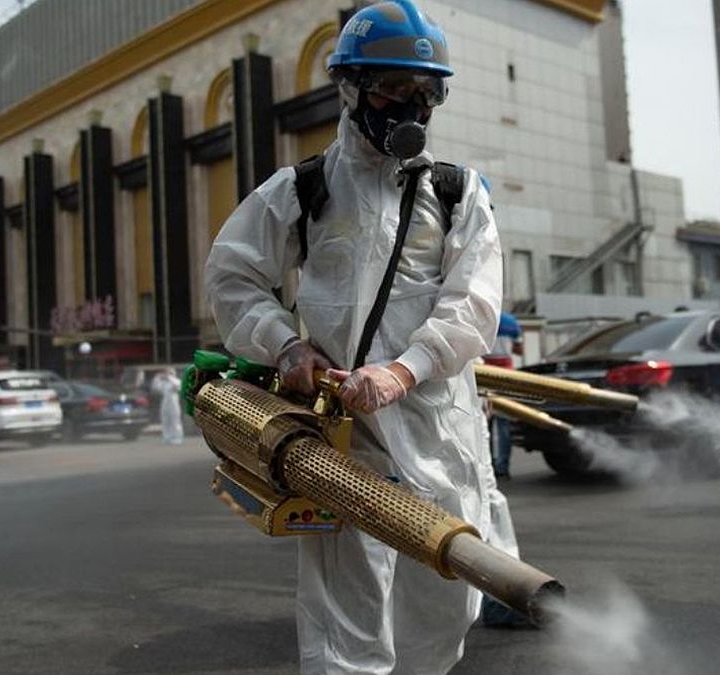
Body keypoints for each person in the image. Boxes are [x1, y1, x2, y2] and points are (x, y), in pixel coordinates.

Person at [205, 2, 501, 671]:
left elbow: (475, 303)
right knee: (346, 616)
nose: (412, 107)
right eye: (396, 88)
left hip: (437, 430)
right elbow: (231, 273)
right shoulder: (303, 190)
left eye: (427, 92)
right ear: (351, 87)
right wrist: (286, 343)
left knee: (445, 597)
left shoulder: (457, 194)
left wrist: (405, 369)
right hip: (345, 434)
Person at [485, 312, 522, 478]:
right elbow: (519, 349)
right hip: (507, 376)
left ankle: (488, 465)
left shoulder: (484, 317)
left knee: (484, 424)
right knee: (504, 423)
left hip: (485, 374)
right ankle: (503, 466)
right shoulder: (511, 321)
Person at [150, 367, 184, 445]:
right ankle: (167, 437)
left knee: (175, 421)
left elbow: (178, 387)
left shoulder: (177, 381)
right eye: (165, 372)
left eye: (168, 372)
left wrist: (169, 377)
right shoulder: (163, 383)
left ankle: (177, 437)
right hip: (165, 403)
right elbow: (155, 387)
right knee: (165, 420)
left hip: (174, 403)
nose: (166, 374)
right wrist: (157, 377)